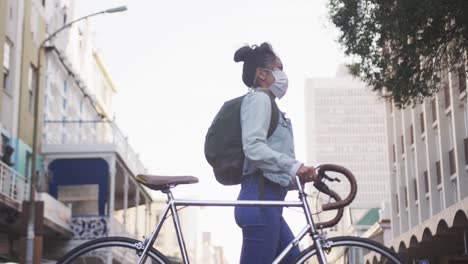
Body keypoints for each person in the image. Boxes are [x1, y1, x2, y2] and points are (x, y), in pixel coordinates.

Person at [233, 42, 317, 264]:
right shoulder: (259, 99)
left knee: (293, 260)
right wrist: (294, 166)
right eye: (279, 68)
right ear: (262, 73)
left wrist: (295, 175)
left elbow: (270, 159)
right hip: (260, 199)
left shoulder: (268, 104)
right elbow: (253, 147)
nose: (283, 75)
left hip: (269, 201)